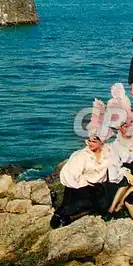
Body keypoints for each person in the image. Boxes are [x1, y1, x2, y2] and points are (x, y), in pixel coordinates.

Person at [50, 98, 114, 229]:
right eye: (89, 140)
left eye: (94, 141)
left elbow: (118, 164)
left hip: (99, 188)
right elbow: (68, 175)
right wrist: (83, 183)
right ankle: (62, 215)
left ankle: (73, 216)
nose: (90, 143)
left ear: (101, 142)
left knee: (102, 205)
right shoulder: (82, 155)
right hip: (80, 188)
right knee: (84, 202)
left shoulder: (109, 152)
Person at [102, 83, 133, 221]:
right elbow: (114, 164)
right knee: (127, 179)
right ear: (119, 128)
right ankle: (114, 208)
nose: (128, 127)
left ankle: (117, 207)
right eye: (124, 125)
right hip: (126, 171)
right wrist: (125, 172)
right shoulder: (116, 144)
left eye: (130, 124)